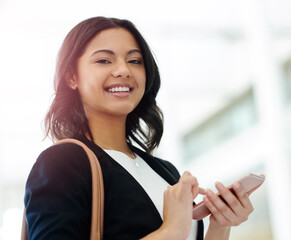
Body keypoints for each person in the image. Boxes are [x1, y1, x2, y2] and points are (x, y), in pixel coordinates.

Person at [24, 16, 256, 240]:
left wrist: (221, 226)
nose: (124, 70)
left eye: (135, 61)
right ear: (71, 77)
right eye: (104, 60)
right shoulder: (62, 162)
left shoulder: (166, 172)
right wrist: (171, 231)